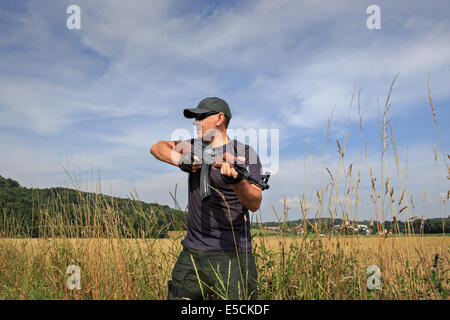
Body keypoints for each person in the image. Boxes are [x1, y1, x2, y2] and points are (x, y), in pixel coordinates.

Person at [150, 97, 264, 300]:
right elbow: (156, 148)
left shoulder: (246, 153)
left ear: (220, 118)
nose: (196, 122)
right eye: (195, 118)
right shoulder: (192, 146)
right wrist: (181, 160)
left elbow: (254, 202)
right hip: (193, 252)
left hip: (234, 256)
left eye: (201, 116)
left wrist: (236, 180)